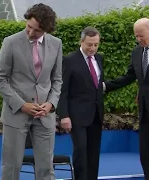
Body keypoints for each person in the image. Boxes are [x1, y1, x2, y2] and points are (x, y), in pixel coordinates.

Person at [0, 3, 63, 180]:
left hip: (45, 115)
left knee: (46, 169)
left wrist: (51, 104)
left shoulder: (56, 44)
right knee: (11, 168)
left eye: (37, 31)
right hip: (16, 113)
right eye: (29, 27)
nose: (31, 33)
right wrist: (21, 105)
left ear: (47, 29)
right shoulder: (10, 42)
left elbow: (57, 80)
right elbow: (0, 78)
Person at [104, 18, 149, 179]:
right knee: (146, 152)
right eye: (136, 36)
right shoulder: (137, 52)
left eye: (141, 35)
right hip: (145, 111)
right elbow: (129, 76)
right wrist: (105, 86)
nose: (138, 39)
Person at [57, 27, 104, 180]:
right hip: (77, 116)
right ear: (81, 41)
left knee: (93, 153)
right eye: (89, 44)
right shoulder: (69, 60)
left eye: (96, 45)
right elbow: (62, 90)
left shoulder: (99, 58)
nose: (93, 48)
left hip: (96, 114)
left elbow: (96, 85)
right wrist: (64, 115)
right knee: (81, 152)